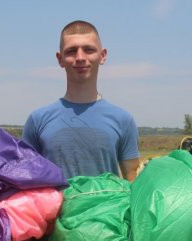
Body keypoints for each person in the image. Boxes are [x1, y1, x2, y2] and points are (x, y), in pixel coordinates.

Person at [22, 20, 140, 182]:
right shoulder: (37, 120)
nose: (80, 57)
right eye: (71, 51)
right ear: (60, 58)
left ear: (102, 55)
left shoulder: (123, 120)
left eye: (88, 50)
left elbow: (132, 182)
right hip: (56, 208)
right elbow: (28, 180)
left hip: (108, 207)